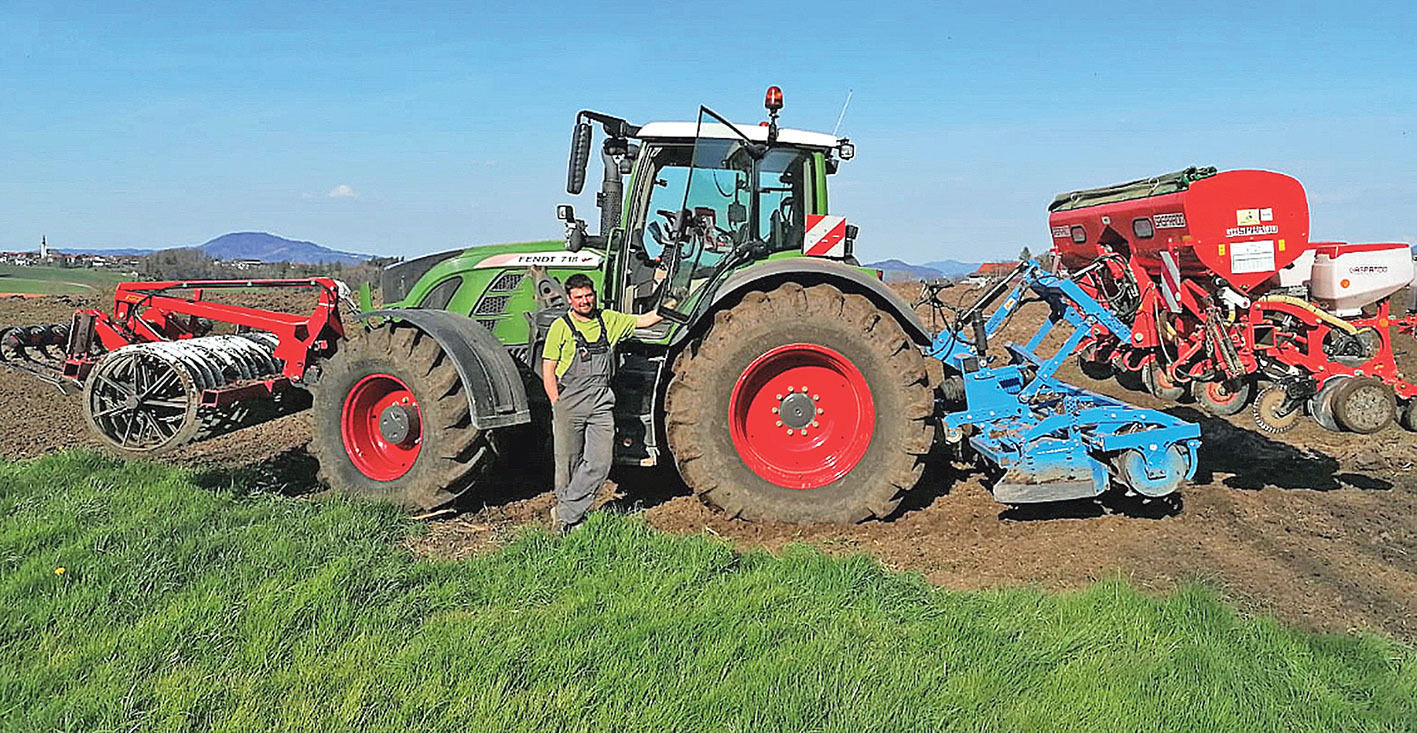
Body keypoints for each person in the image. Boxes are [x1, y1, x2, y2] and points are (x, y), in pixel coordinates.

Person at [541, 273, 663, 533]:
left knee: (600, 461)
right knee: (568, 465)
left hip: (600, 403)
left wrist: (671, 308)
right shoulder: (560, 327)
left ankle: (563, 513)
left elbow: (644, 321)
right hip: (569, 402)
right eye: (579, 297)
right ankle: (570, 522)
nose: (585, 301)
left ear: (593, 295)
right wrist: (556, 402)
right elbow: (548, 368)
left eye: (588, 295)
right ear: (569, 299)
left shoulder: (609, 319)